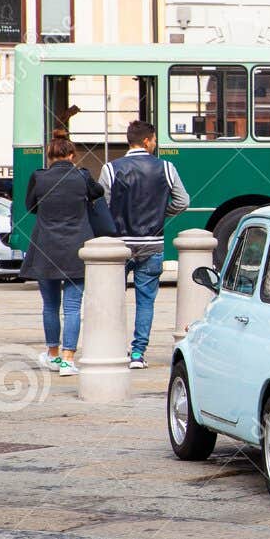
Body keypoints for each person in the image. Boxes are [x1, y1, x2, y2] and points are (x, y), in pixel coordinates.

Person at [100, 121, 190, 369]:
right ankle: (138, 354)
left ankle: (115, 348)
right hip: (152, 243)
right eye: (155, 140)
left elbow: (103, 206)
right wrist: (162, 214)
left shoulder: (110, 169)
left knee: (113, 299)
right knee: (146, 301)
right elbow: (183, 201)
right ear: (148, 141)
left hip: (120, 246)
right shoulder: (166, 167)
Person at [21, 138, 102, 377]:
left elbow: (31, 207)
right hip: (76, 249)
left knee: (50, 306)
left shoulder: (39, 177)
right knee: (73, 308)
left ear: (50, 156)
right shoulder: (82, 176)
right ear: (72, 155)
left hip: (46, 248)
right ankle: (68, 360)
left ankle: (53, 355)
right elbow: (99, 192)